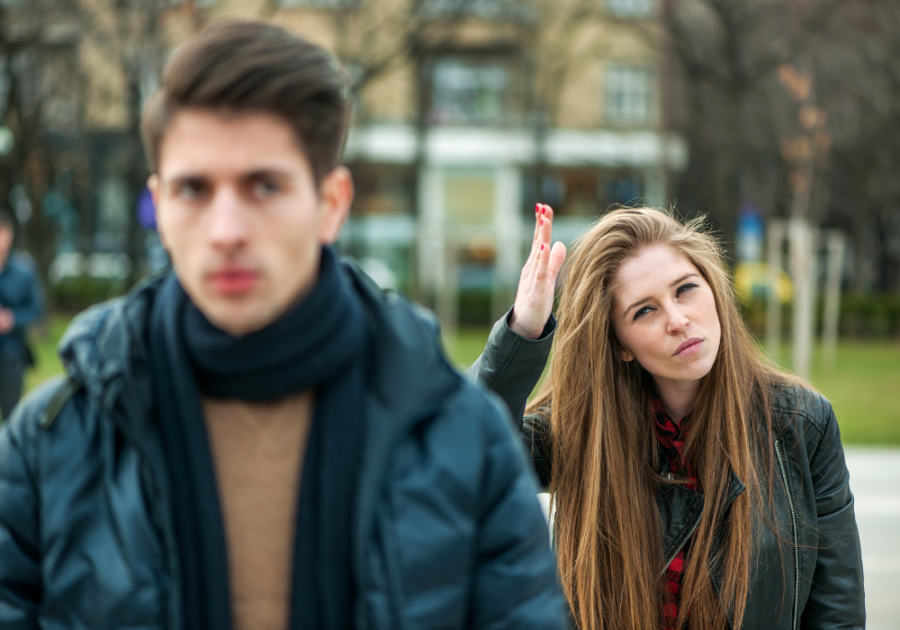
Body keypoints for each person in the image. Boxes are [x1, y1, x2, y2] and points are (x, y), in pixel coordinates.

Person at [0, 21, 567, 630]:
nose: (226, 230)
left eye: (264, 186)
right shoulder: (53, 440)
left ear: (331, 204)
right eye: (194, 189)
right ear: (159, 207)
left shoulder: (463, 436)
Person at [471, 206, 865, 630]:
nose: (678, 321)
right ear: (620, 344)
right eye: (645, 311)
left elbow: (836, 613)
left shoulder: (802, 424)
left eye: (685, 290)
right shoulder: (579, 430)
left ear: (713, 287)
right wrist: (523, 333)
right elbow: (465, 455)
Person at [0, 210, 43, 420]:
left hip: (11, 353)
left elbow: (36, 310)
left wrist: (11, 319)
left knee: (12, 416)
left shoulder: (24, 271)